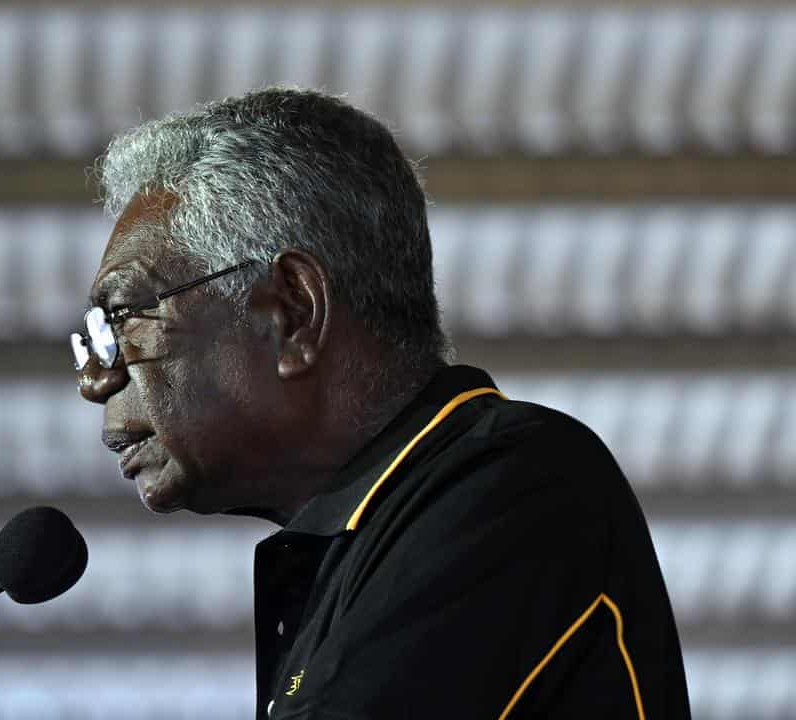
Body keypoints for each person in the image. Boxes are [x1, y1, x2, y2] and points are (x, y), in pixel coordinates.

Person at [72, 87, 690, 719]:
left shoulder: (520, 484)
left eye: (120, 319)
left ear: (291, 313)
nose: (94, 379)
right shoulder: (364, 544)